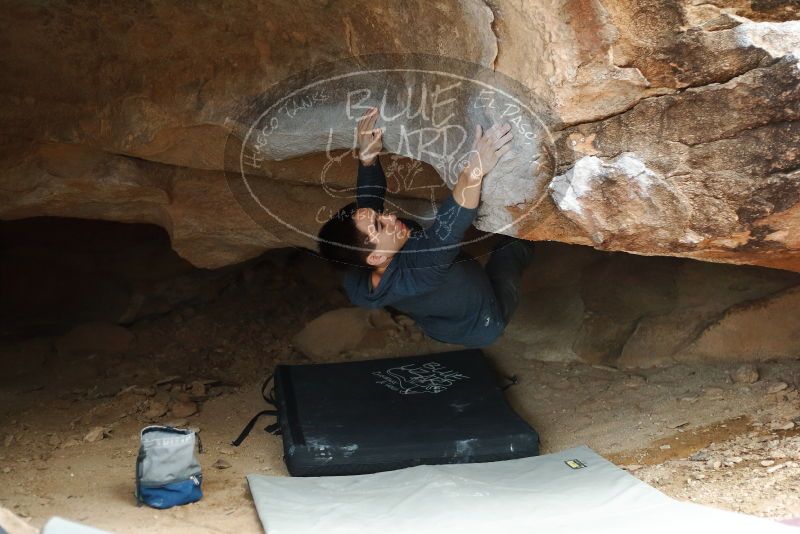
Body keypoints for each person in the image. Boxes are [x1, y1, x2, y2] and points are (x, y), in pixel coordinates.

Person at [318, 107, 535, 348]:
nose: (389, 216)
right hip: (483, 321)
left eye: (380, 215)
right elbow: (449, 224)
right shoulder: (420, 269)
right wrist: (477, 167)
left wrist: (367, 157)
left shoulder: (357, 267)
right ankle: (526, 243)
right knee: (509, 256)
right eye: (381, 224)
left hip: (438, 322)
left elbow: (368, 207)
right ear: (376, 256)